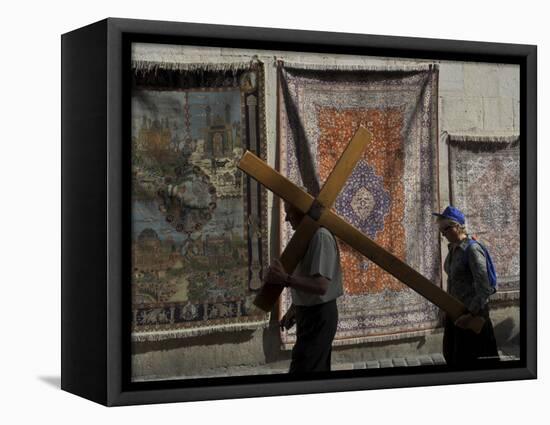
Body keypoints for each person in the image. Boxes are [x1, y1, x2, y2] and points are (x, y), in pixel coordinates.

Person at [264, 202, 343, 373]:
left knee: (305, 370)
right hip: (309, 313)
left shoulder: (320, 237)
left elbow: (321, 286)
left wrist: (284, 279)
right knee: (313, 368)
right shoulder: (307, 236)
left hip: (319, 315)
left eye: (290, 213)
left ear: (303, 214)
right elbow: (308, 276)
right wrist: (295, 308)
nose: (285, 219)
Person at [433, 206, 499, 367]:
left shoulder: (472, 250)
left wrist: (470, 315)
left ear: (457, 226)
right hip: (456, 314)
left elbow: (484, 288)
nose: (443, 234)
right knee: (453, 357)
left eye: (446, 229)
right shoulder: (454, 249)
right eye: (442, 230)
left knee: (475, 364)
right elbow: (453, 282)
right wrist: (447, 309)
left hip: (472, 318)